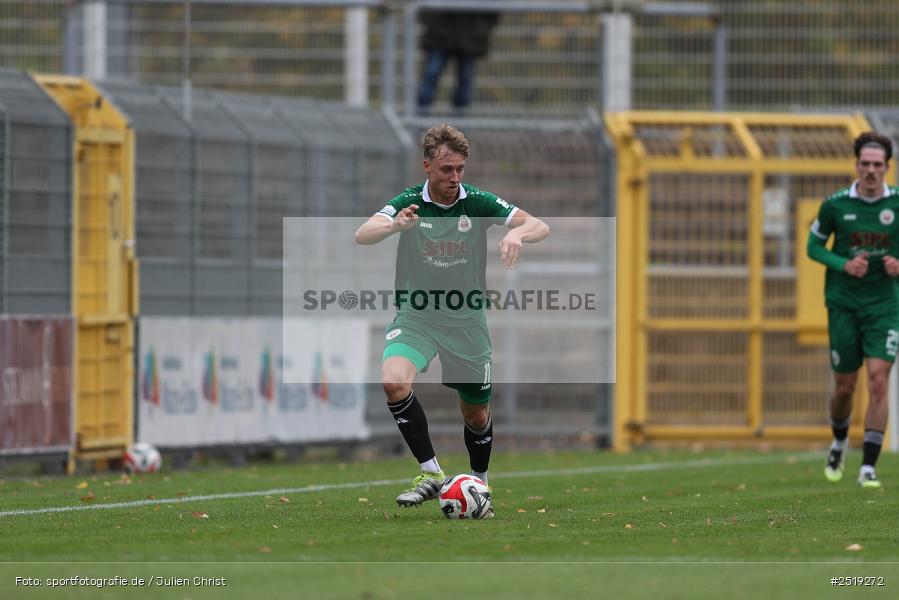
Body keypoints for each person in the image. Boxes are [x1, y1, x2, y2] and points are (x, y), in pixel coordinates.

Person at [354, 124, 549, 511]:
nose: (454, 177)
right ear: (427, 166)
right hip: (417, 316)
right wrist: (395, 225)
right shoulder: (410, 203)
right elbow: (364, 233)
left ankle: (479, 484)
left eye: (460, 169)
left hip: (466, 321)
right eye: (446, 169)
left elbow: (539, 225)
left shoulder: (477, 202)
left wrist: (517, 235)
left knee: (475, 414)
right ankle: (430, 473)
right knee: (393, 381)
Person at [807, 131, 899, 488]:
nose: (871, 170)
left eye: (877, 164)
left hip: (883, 306)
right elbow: (813, 247)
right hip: (844, 304)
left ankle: (868, 468)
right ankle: (839, 440)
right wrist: (843, 264)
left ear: (887, 167)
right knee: (845, 387)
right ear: (856, 165)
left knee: (878, 380)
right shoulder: (835, 206)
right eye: (865, 164)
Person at [416, 11, 500, 115]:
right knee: (431, 75)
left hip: (470, 34)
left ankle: (459, 121)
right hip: (440, 33)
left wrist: (481, 28)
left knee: (465, 82)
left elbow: (492, 12)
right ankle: (421, 119)